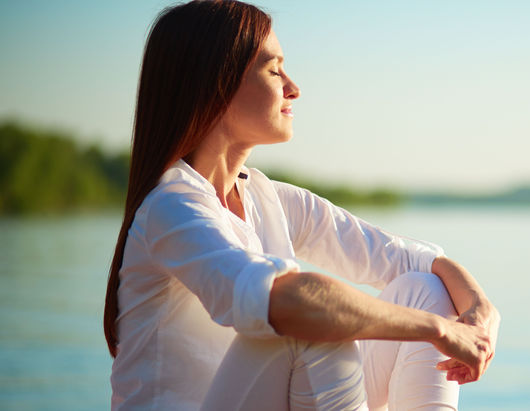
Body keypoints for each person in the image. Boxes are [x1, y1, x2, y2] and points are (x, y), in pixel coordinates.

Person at [103, 1, 500, 410]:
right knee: (307, 320)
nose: (293, 87)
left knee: (422, 290)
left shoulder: (265, 197)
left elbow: (409, 261)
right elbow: (288, 302)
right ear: (214, 84)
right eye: (274, 70)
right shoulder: (172, 207)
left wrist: (479, 310)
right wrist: (439, 331)